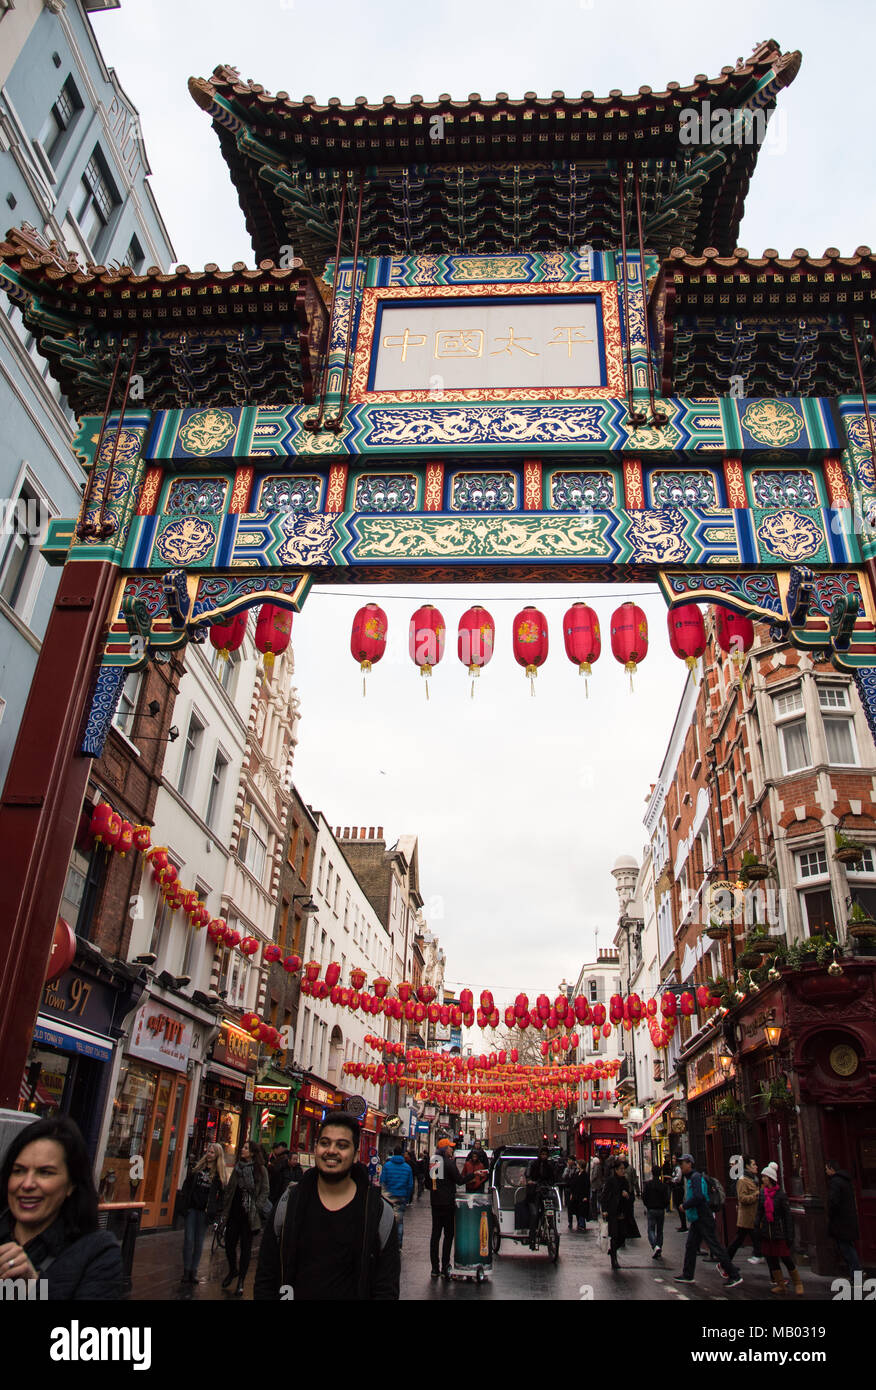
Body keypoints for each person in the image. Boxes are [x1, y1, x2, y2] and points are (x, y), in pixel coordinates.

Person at [254, 1111, 399, 1299]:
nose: (331, 1150)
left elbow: (386, 1288)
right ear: (316, 1149)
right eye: (325, 1143)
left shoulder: (378, 1214)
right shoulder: (289, 1204)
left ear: (355, 1155)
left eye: (342, 1145)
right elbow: (266, 1275)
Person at [0, 1115, 123, 1299]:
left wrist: (34, 1290)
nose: (27, 1184)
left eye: (45, 1172)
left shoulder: (98, 1254)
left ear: (71, 1184)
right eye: (19, 1171)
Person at [673, 1154, 742, 1288]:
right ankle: (688, 1274)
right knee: (691, 1245)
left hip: (703, 1217)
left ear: (690, 1164)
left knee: (715, 1246)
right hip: (698, 1218)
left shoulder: (695, 1178)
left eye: (683, 1163)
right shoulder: (692, 1178)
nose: (681, 1166)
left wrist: (685, 1205)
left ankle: (734, 1274)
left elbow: (699, 1197)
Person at [222, 1139, 269, 1297]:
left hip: (249, 1215)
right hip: (234, 1212)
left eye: (246, 1148)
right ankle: (232, 1270)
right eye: (243, 1147)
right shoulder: (237, 1167)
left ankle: (241, 1280)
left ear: (253, 1153)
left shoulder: (260, 1170)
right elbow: (230, 1189)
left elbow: (265, 1190)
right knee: (229, 1245)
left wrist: (257, 1207)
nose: (242, 1149)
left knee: (246, 1249)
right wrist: (224, 1211)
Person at [179, 1141, 227, 1285]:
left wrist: (216, 1210)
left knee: (199, 1242)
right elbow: (187, 1186)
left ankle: (193, 1271)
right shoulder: (197, 1169)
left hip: (205, 1212)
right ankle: (186, 1270)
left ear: (217, 1155)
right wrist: (184, 1204)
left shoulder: (218, 1174)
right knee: (188, 1240)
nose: (209, 1154)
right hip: (192, 1209)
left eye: (212, 1152)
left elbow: (222, 1195)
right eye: (208, 1151)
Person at [754, 1162, 803, 1295]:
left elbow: (787, 1216)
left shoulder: (780, 1195)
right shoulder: (762, 1193)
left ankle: (798, 1283)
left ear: (771, 1178)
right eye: (762, 1176)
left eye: (765, 1177)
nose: (763, 1179)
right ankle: (780, 1284)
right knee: (771, 1258)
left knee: (786, 1258)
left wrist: (790, 1234)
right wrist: (757, 1224)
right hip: (766, 1231)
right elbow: (759, 1211)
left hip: (778, 1230)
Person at [429, 1136, 465, 1278]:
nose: (452, 1149)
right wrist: (473, 1175)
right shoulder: (449, 1164)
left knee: (435, 1235)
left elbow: (429, 1182)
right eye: (450, 1147)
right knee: (448, 1235)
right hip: (448, 1204)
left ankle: (434, 1268)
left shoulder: (434, 1161)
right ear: (445, 1149)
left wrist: (436, 1191)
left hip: (435, 1203)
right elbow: (460, 1181)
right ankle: (445, 1266)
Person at [825, 1158, 860, 1277]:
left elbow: (833, 1202)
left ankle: (856, 1275)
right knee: (849, 1247)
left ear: (831, 1168)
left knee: (847, 1250)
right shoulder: (846, 1181)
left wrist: (830, 1214)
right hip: (848, 1220)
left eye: (826, 1169)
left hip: (841, 1222)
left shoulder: (835, 1182)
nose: (826, 1171)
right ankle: (855, 1274)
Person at [726, 1156, 763, 1264]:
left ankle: (758, 1255)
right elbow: (742, 1198)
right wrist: (757, 1194)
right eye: (754, 1164)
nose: (756, 1166)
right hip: (747, 1217)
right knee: (739, 1240)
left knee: (741, 1239)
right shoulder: (742, 1180)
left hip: (754, 1216)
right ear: (747, 1166)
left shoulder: (754, 1179)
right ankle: (726, 1261)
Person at [601, 1156, 634, 1271]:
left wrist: (627, 1195)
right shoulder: (611, 1181)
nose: (623, 1171)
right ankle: (614, 1260)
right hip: (613, 1211)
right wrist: (604, 1209)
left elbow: (629, 1194)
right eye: (620, 1169)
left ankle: (613, 1250)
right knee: (614, 1236)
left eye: (623, 1169)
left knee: (623, 1235)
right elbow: (605, 1195)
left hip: (623, 1211)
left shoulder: (624, 1180)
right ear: (615, 1170)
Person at [380, 1145, 414, 1249]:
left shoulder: (387, 1166)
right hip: (401, 1196)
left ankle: (386, 1242)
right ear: (402, 1153)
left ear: (393, 1153)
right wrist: (407, 1197)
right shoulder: (407, 1167)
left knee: (387, 1219)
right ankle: (398, 1245)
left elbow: (382, 1181)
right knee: (399, 1221)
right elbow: (410, 1185)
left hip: (388, 1197)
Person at [526, 1146, 556, 1250]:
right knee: (534, 1214)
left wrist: (550, 1184)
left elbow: (553, 1177)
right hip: (534, 1192)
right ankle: (532, 1239)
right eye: (542, 1154)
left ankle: (549, 1229)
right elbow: (528, 1175)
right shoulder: (533, 1164)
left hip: (545, 1190)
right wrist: (530, 1181)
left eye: (545, 1154)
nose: (544, 1156)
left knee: (550, 1210)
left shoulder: (549, 1165)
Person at [642, 1166, 670, 1259]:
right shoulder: (663, 1186)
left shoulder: (648, 1185)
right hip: (661, 1210)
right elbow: (667, 1198)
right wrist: (664, 1206)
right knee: (660, 1230)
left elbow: (644, 1196)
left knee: (651, 1229)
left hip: (651, 1209)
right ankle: (659, 1247)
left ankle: (655, 1246)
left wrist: (647, 1205)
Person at [569, 1160, 590, 1232]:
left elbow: (587, 1186)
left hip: (582, 1195)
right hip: (576, 1195)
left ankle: (582, 1225)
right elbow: (573, 1183)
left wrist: (586, 1196)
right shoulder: (577, 1173)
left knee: (582, 1211)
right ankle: (579, 1223)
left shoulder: (585, 1175)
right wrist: (572, 1193)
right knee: (577, 1210)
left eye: (578, 1164)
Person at [561, 1157, 579, 1231]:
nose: (568, 1161)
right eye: (568, 1160)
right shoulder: (567, 1169)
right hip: (568, 1189)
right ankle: (570, 1222)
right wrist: (567, 1170)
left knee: (576, 1206)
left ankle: (578, 1222)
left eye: (570, 1160)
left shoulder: (576, 1169)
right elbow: (563, 1176)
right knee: (569, 1207)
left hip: (574, 1190)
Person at [671, 1161, 687, 1231]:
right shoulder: (676, 1168)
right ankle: (683, 1224)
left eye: (674, 1158)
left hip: (678, 1189)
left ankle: (684, 1225)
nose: (673, 1160)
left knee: (680, 1206)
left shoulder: (678, 1168)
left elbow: (678, 1178)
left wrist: (672, 1179)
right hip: (676, 1188)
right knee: (678, 1206)